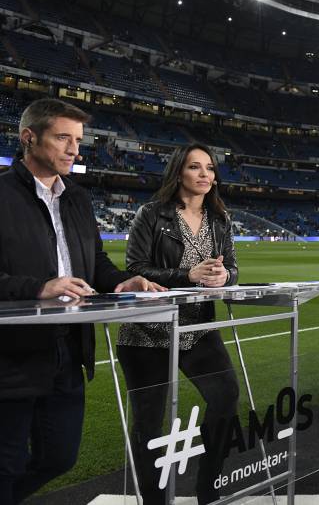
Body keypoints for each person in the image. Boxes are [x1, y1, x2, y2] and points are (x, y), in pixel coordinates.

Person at [0, 98, 161, 503]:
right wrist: (39, 287)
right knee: (7, 464)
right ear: (29, 138)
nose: (74, 149)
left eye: (78, 140)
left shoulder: (77, 197)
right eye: (63, 138)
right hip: (11, 357)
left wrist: (124, 283)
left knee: (59, 458)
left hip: (69, 350)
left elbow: (97, 264)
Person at [117, 144, 240, 505]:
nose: (205, 174)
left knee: (225, 396)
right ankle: (154, 501)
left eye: (210, 168)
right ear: (178, 172)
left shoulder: (220, 219)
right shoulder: (152, 214)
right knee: (149, 426)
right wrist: (187, 275)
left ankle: (208, 486)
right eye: (194, 167)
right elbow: (135, 269)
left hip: (197, 328)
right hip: (147, 333)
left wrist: (224, 277)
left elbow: (232, 268)